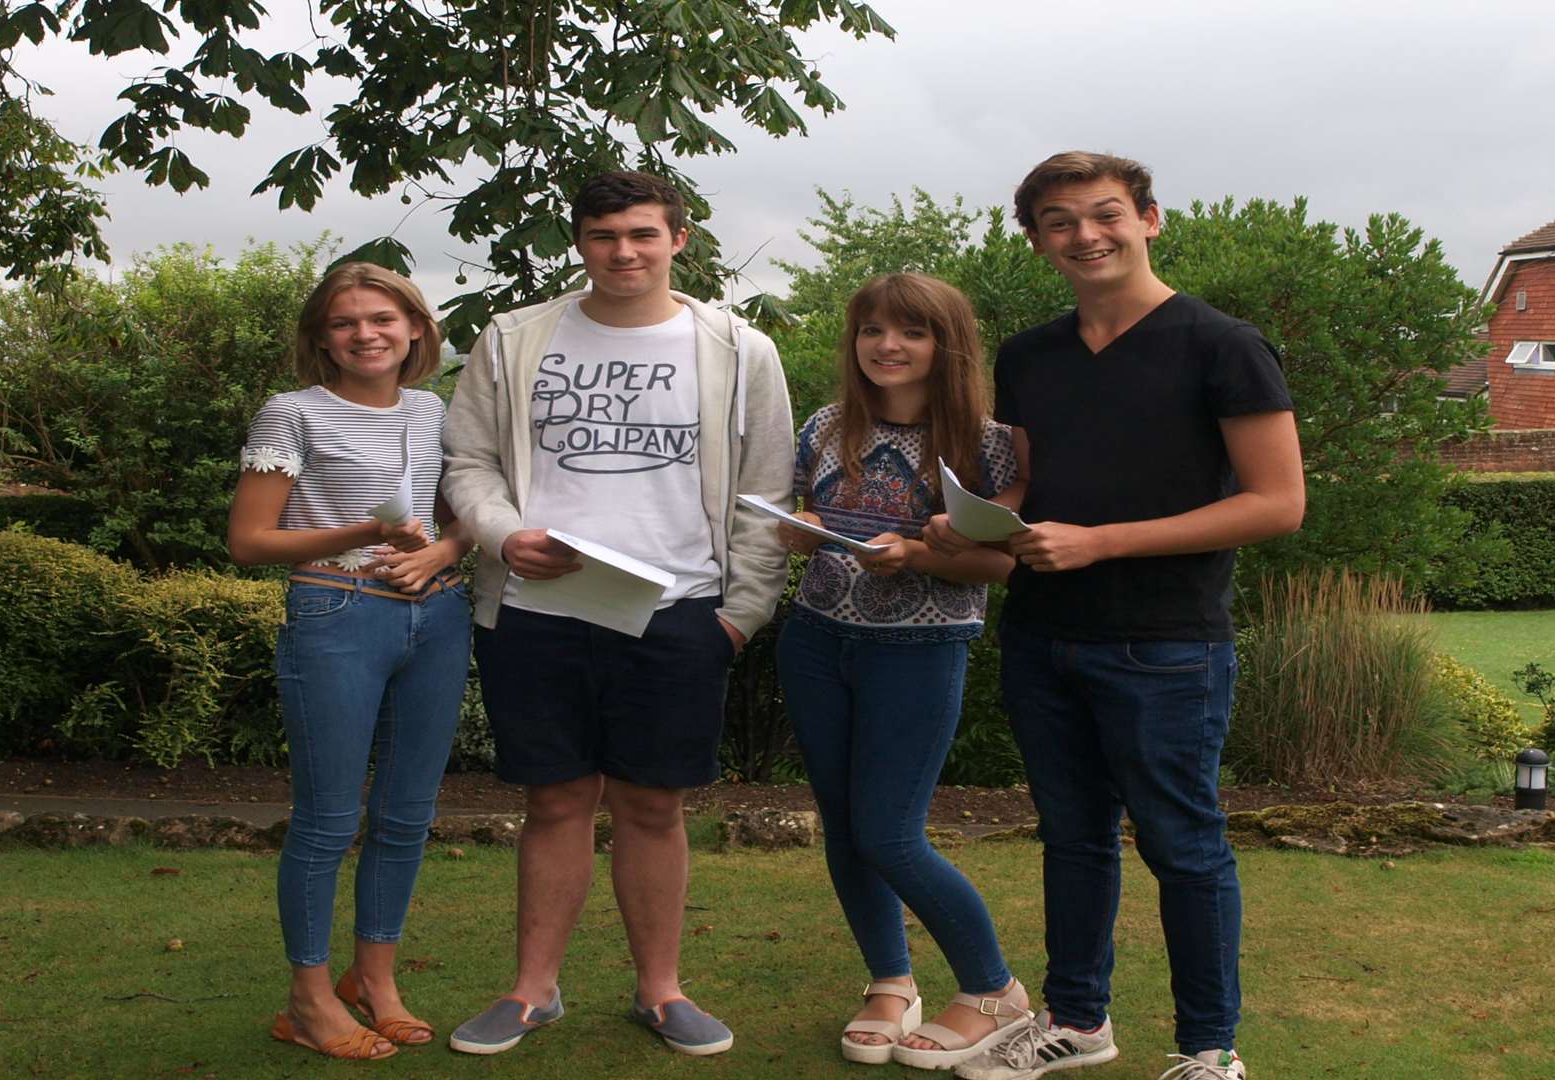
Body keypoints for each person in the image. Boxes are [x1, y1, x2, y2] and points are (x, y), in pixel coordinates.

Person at [928, 153, 1305, 1080]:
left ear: (1150, 220)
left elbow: (1276, 503)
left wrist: (1101, 542)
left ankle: (1211, 1051)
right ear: (1037, 239)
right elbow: (1022, 486)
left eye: (1106, 215)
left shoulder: (1223, 345)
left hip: (1168, 642)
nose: (1086, 235)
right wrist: (971, 524)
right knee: (1074, 840)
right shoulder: (1029, 356)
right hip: (1046, 635)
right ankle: (1080, 1022)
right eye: (1061, 221)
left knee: (1184, 847)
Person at [439, 170, 793, 1058]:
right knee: (554, 802)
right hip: (536, 608)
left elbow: (765, 493)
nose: (622, 251)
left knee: (653, 806)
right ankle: (531, 992)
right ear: (580, 241)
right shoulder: (515, 337)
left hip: (677, 610)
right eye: (603, 235)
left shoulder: (737, 347)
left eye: (642, 234)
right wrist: (503, 534)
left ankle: (661, 992)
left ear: (679, 238)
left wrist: (740, 615)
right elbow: (468, 463)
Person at [773, 272, 1031, 1069]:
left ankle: (996, 992)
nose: (888, 346)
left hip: (920, 649)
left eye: (911, 332)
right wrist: (803, 530)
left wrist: (919, 556)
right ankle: (890, 983)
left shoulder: (994, 443)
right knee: (847, 828)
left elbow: (1011, 564)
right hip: (817, 640)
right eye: (873, 330)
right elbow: (790, 519)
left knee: (889, 831)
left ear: (945, 345)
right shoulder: (825, 425)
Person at [229, 262, 475, 1060]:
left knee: (405, 817)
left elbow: (459, 520)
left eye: (383, 318)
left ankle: (375, 981)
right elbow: (249, 542)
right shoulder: (293, 413)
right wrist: (363, 533)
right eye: (344, 322)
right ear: (320, 338)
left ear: (415, 330)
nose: (365, 334)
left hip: (435, 619)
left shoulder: (434, 409)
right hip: (335, 612)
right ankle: (307, 998)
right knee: (329, 820)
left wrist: (440, 550)